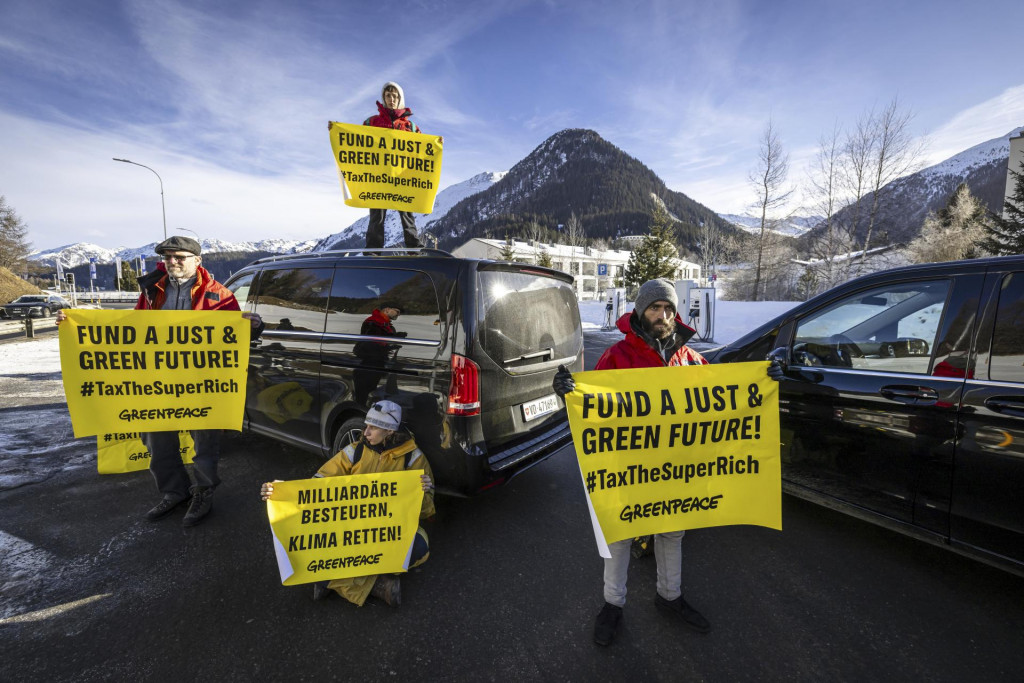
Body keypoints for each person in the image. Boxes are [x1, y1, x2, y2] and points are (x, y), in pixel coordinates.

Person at [553, 278, 782, 646]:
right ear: (641, 311)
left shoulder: (690, 359)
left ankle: (669, 597)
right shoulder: (618, 357)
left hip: (676, 468)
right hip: (628, 468)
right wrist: (569, 393)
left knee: (672, 532)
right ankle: (613, 604)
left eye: (669, 308)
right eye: (655, 307)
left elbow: (724, 397)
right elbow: (592, 410)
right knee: (621, 535)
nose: (662, 315)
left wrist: (765, 380)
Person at [129, 236, 261, 526]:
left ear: (197, 260)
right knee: (156, 437)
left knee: (204, 441)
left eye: (179, 256)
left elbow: (233, 338)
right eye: (168, 257)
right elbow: (132, 329)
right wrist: (74, 323)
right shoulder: (152, 291)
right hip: (160, 379)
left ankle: (203, 491)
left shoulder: (219, 294)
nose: (172, 261)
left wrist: (252, 327)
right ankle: (174, 491)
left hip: (202, 382)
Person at [260, 400, 434, 607]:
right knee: (312, 540)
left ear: (388, 431)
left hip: (386, 530)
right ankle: (377, 586)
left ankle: (328, 579)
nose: (365, 431)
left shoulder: (413, 459)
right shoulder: (355, 450)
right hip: (351, 528)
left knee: (419, 548)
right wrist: (280, 492)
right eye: (366, 425)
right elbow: (317, 485)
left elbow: (426, 512)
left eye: (373, 427)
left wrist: (422, 492)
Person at [360, 81, 438, 250]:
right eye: (388, 96)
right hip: (379, 176)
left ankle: (413, 246)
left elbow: (423, 148)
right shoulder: (371, 122)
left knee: (407, 212)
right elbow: (356, 140)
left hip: (403, 176)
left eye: (395, 96)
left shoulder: (410, 126)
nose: (391, 99)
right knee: (377, 214)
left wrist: (436, 144)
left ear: (400, 98)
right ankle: (373, 249)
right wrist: (336, 131)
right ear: (384, 98)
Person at [352, 303, 406, 404]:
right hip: (368, 365)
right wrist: (393, 340)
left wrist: (394, 338)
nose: (398, 315)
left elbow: (381, 341)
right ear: (386, 310)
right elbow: (372, 343)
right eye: (397, 311)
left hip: (376, 364)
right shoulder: (373, 322)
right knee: (363, 397)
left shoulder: (384, 323)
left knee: (370, 394)